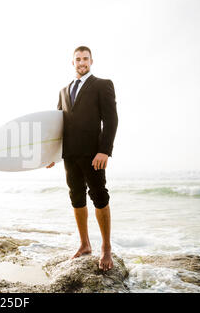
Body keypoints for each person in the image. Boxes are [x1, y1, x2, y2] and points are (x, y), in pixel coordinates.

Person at [46, 46, 118, 271]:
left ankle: (106, 248)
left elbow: (111, 120)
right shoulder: (63, 91)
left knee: (99, 196)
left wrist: (104, 150)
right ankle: (85, 244)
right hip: (70, 154)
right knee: (76, 197)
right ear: (72, 62)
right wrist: (52, 154)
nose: (81, 62)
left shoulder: (102, 84)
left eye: (85, 58)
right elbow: (58, 125)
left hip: (93, 153)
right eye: (78, 59)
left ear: (91, 61)